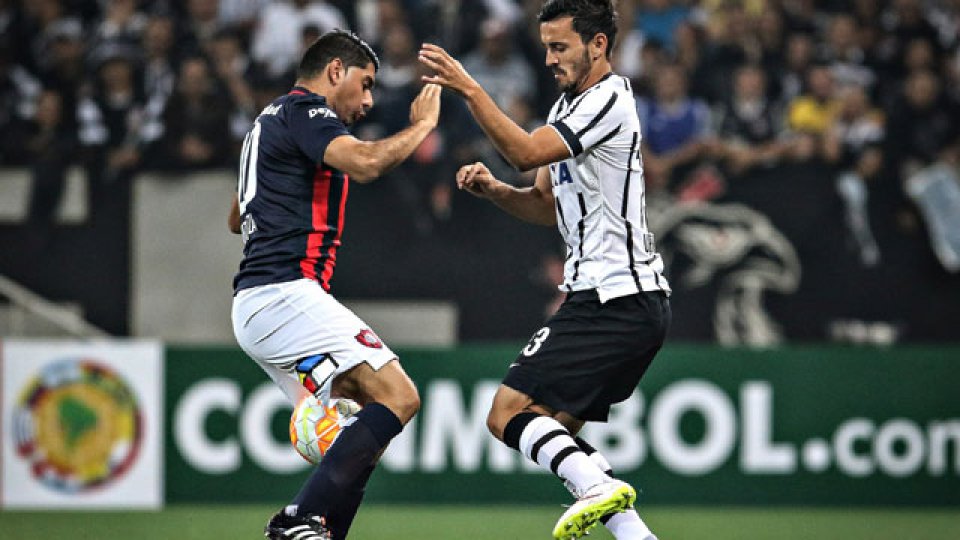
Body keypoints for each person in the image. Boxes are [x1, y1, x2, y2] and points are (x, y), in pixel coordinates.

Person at [418, 1, 669, 539]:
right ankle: (634, 534)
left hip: (614, 295)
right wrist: (495, 192)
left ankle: (600, 492)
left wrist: (470, 88)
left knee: (505, 413)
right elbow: (543, 204)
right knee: (554, 435)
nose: (550, 59)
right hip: (617, 300)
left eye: (560, 47)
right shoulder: (565, 109)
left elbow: (526, 152)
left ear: (598, 45)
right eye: (547, 48)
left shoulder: (609, 98)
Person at [229, 29, 441, 540]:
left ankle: (323, 531)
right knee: (400, 396)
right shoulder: (306, 110)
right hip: (284, 291)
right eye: (365, 84)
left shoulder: (266, 124)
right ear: (334, 72)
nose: (367, 101)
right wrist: (423, 126)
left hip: (261, 301)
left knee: (360, 425)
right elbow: (366, 163)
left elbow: (237, 217)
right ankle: (296, 519)